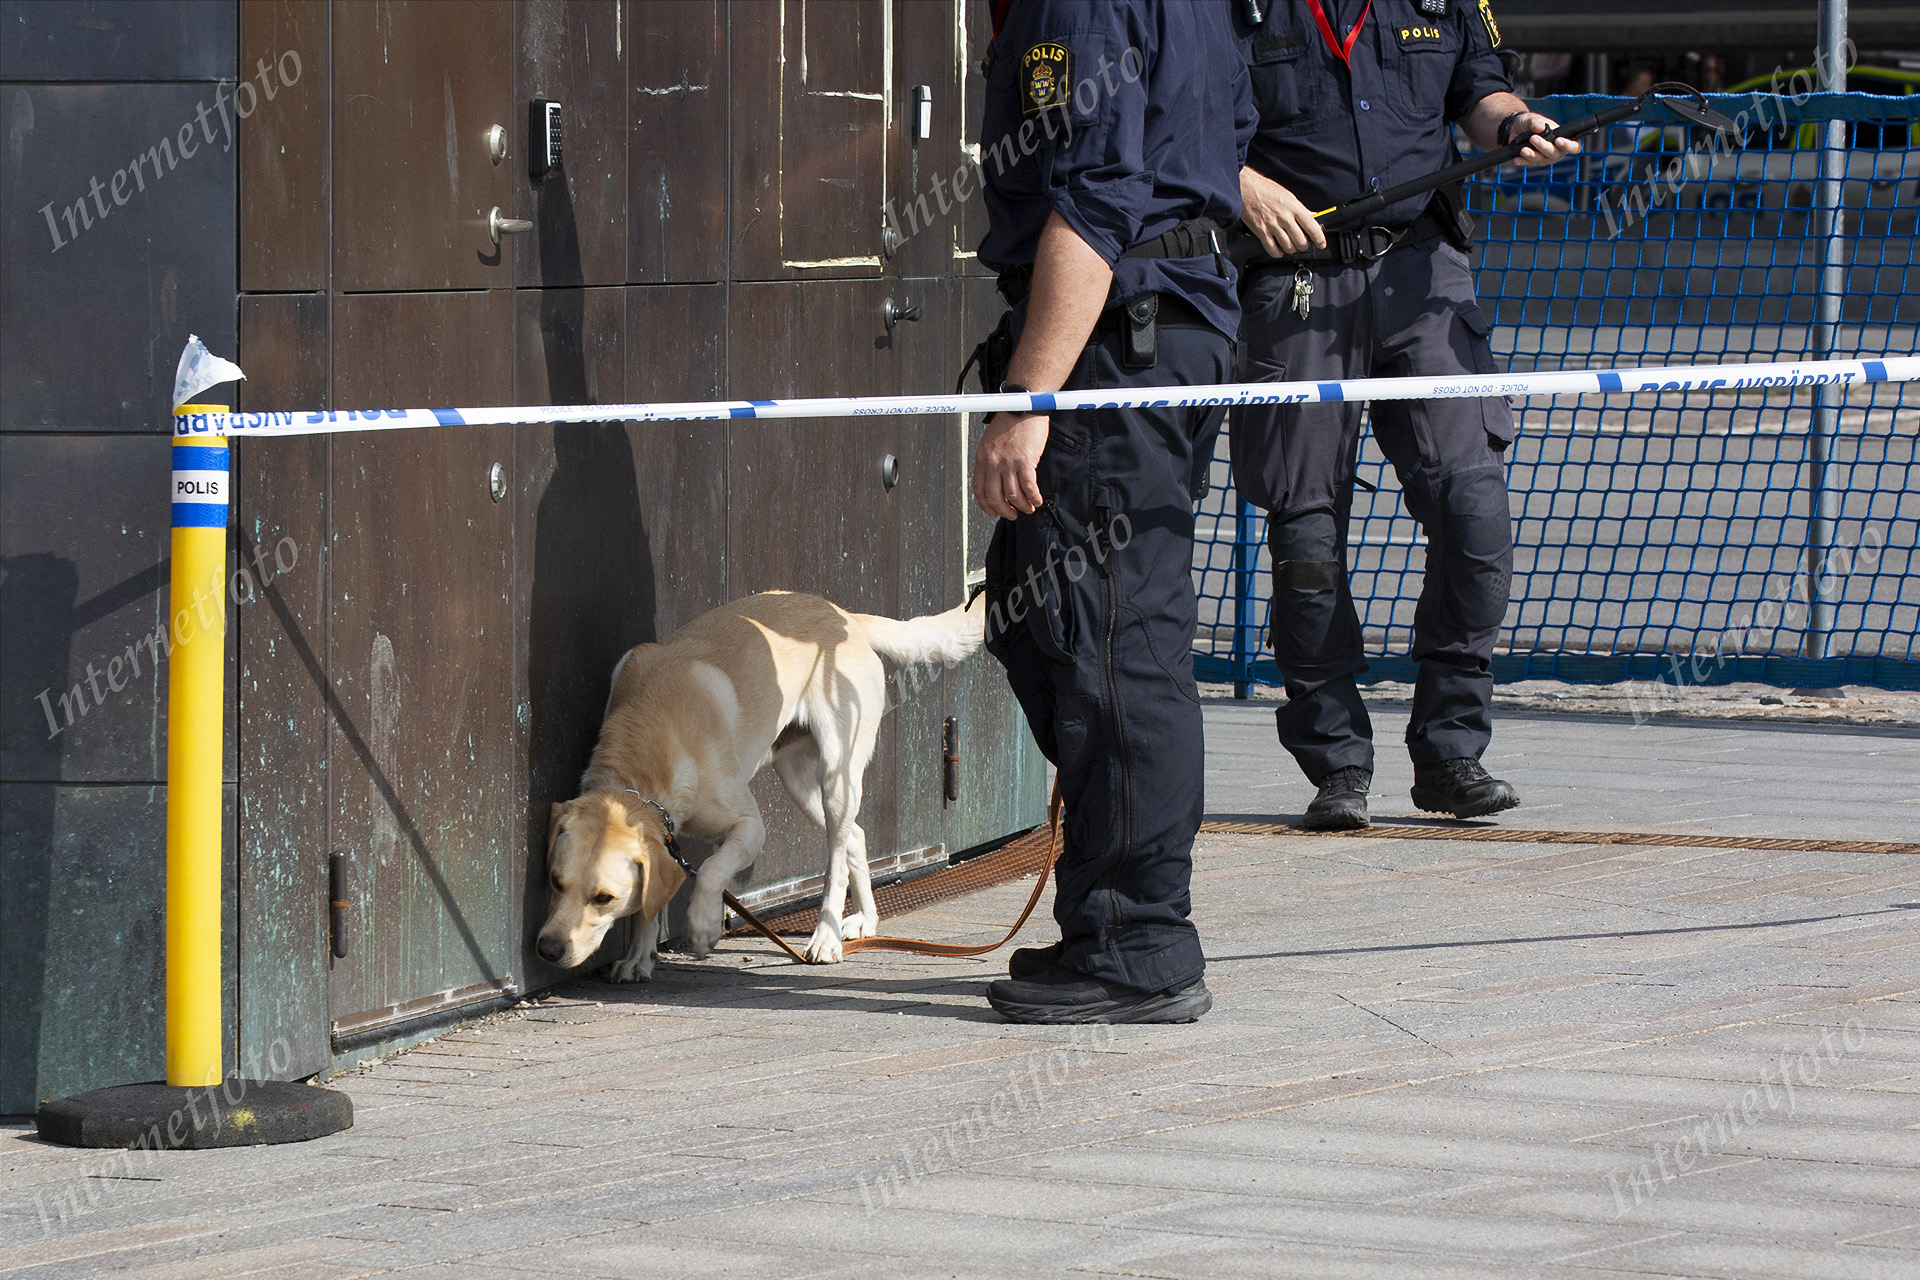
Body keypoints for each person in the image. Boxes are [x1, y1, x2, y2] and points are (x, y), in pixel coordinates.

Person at [1229, 0, 1579, 830]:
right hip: (1296, 282)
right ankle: (1337, 765)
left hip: (1424, 275)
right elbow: (1187, 117)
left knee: (1475, 513)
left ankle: (1452, 751)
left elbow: (1478, 90)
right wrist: (1239, 185)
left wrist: (1515, 125)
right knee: (1306, 539)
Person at [971, 0, 1251, 1023]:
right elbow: (1221, 138)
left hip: (1114, 344)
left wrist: (1028, 401)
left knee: (1113, 648)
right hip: (1160, 329)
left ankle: (1139, 944)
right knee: (1047, 622)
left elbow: (1096, 194)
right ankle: (1109, 916)